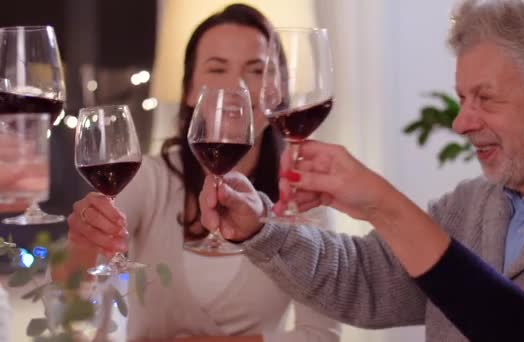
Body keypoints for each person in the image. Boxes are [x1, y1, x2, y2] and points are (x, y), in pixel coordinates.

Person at [196, 0, 524, 341]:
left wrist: (383, 204)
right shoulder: (469, 205)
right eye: (462, 98)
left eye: (485, 98)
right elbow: (361, 278)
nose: (461, 123)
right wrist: (260, 229)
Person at [53, 4, 340, 342]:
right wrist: (84, 241)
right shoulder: (150, 179)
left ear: (277, 91)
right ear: (189, 90)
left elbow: (323, 335)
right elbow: (65, 291)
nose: (237, 87)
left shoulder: (303, 198)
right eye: (218, 69)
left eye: (257, 70)